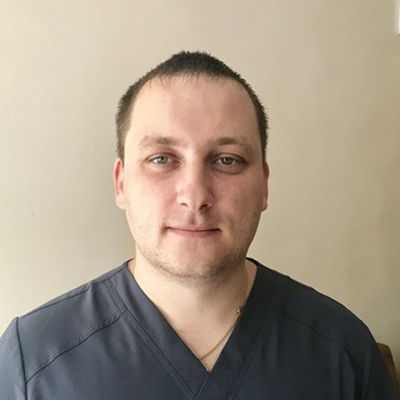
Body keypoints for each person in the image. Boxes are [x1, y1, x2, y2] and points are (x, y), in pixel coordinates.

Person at [0, 51, 398, 400]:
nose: (195, 196)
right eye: (162, 158)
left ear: (264, 186)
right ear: (121, 183)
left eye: (227, 160)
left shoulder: (344, 351)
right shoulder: (33, 360)